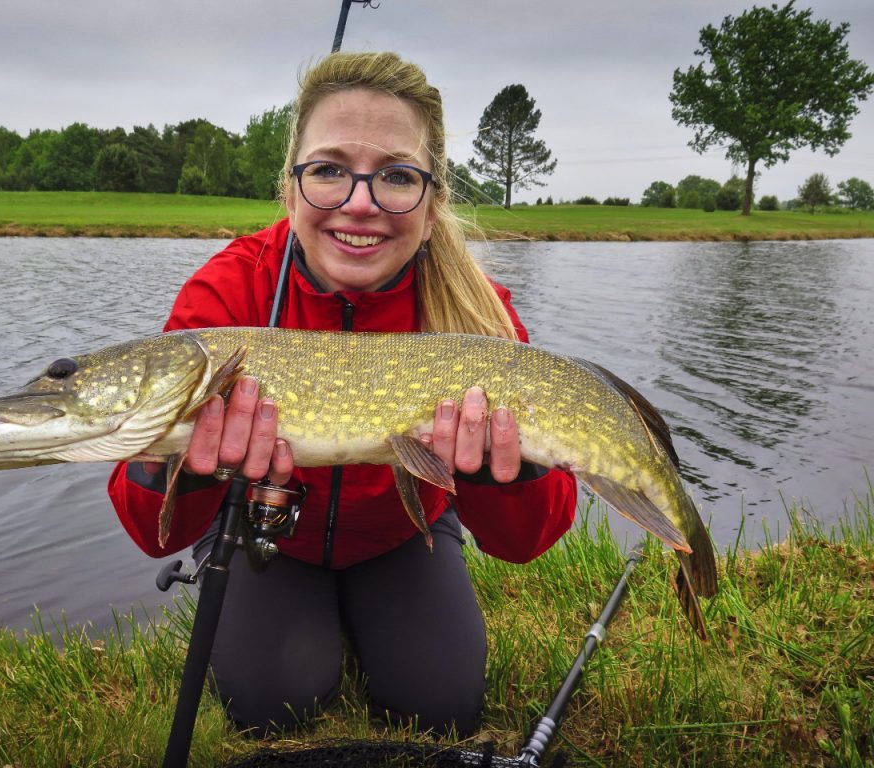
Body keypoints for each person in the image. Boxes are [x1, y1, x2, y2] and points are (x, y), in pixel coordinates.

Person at [108, 51, 577, 738]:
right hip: (271, 537)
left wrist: (501, 469)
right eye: (328, 170)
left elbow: (528, 539)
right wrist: (183, 466)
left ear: (433, 197)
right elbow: (151, 531)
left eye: (396, 175)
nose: (360, 204)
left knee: (441, 707)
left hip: (403, 534)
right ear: (290, 188)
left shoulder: (479, 316)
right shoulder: (227, 296)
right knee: (270, 704)